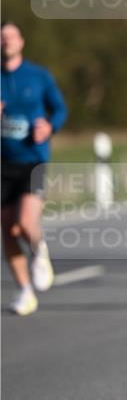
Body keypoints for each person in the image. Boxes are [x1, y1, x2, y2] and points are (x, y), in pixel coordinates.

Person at [1, 21, 68, 315]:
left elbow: (61, 109)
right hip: (3, 162)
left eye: (11, 36)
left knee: (26, 222)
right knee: (7, 229)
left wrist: (49, 126)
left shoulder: (39, 76)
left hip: (33, 158)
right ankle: (25, 291)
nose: (6, 41)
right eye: (2, 38)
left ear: (21, 41)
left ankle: (39, 250)